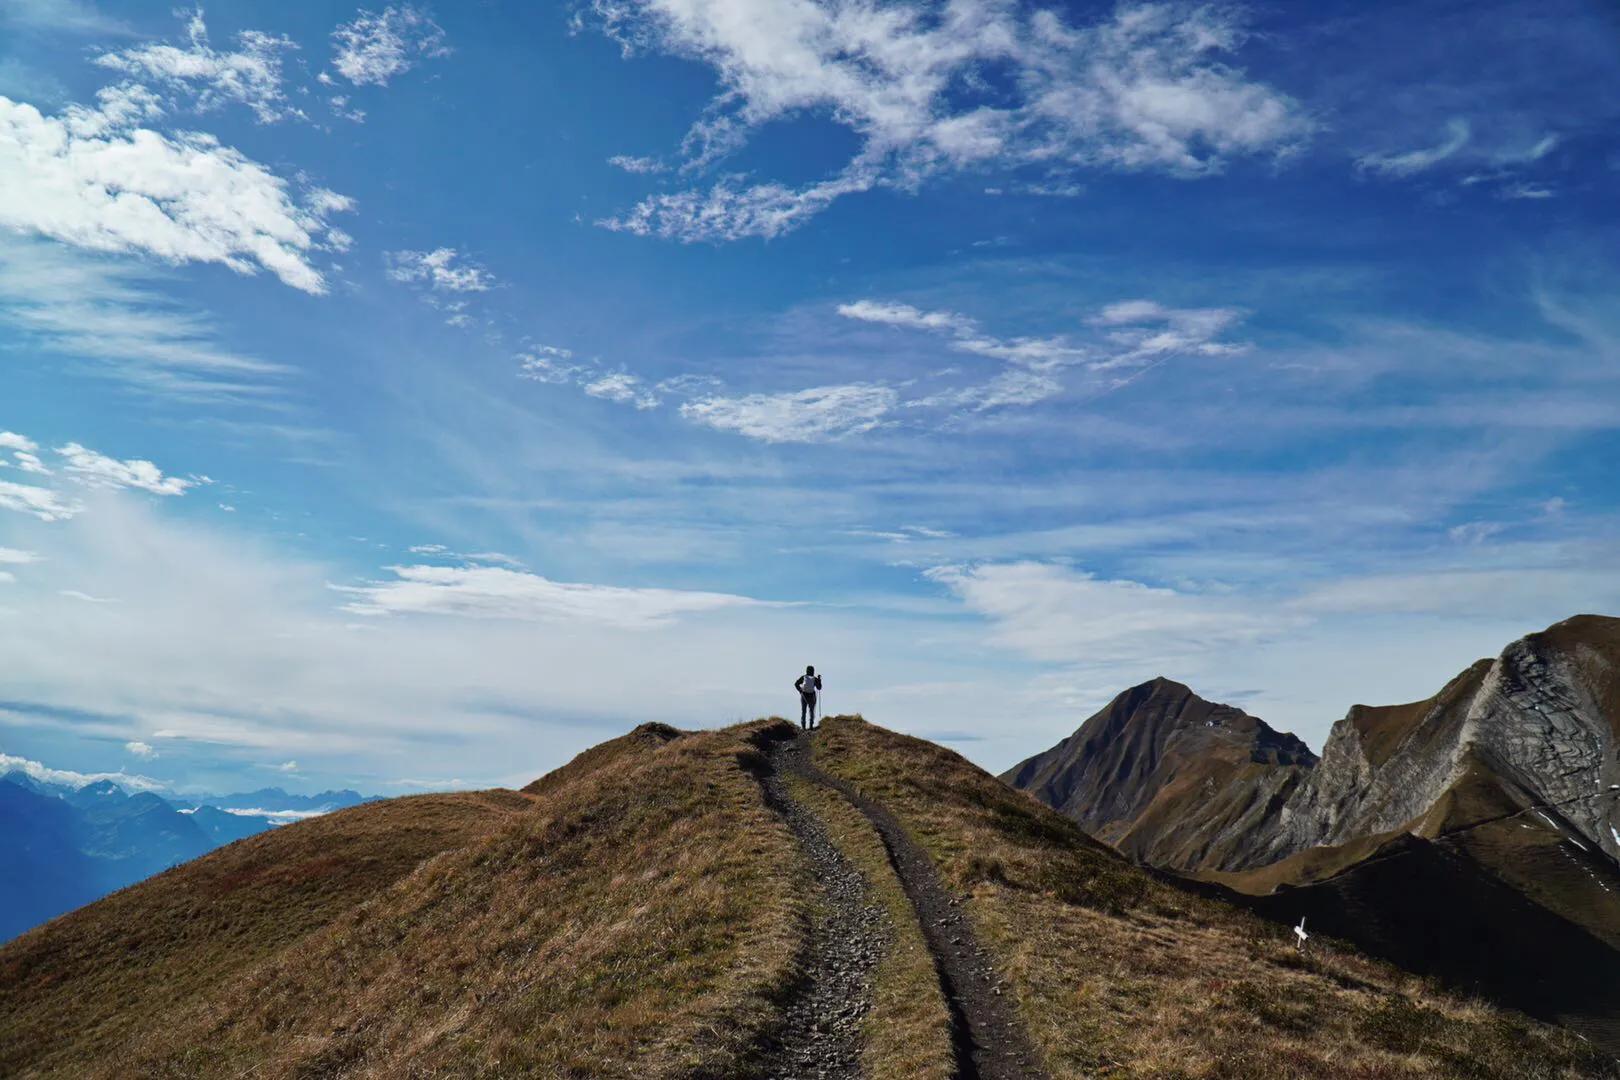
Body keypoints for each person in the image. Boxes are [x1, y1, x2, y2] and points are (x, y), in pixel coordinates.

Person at [794, 665, 822, 730]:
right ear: (813, 671)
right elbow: (819, 688)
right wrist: (819, 680)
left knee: (803, 711)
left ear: (807, 670)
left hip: (803, 695)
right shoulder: (815, 679)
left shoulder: (803, 677)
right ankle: (811, 726)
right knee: (811, 710)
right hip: (812, 696)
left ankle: (803, 726)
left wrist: (800, 690)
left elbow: (796, 684)